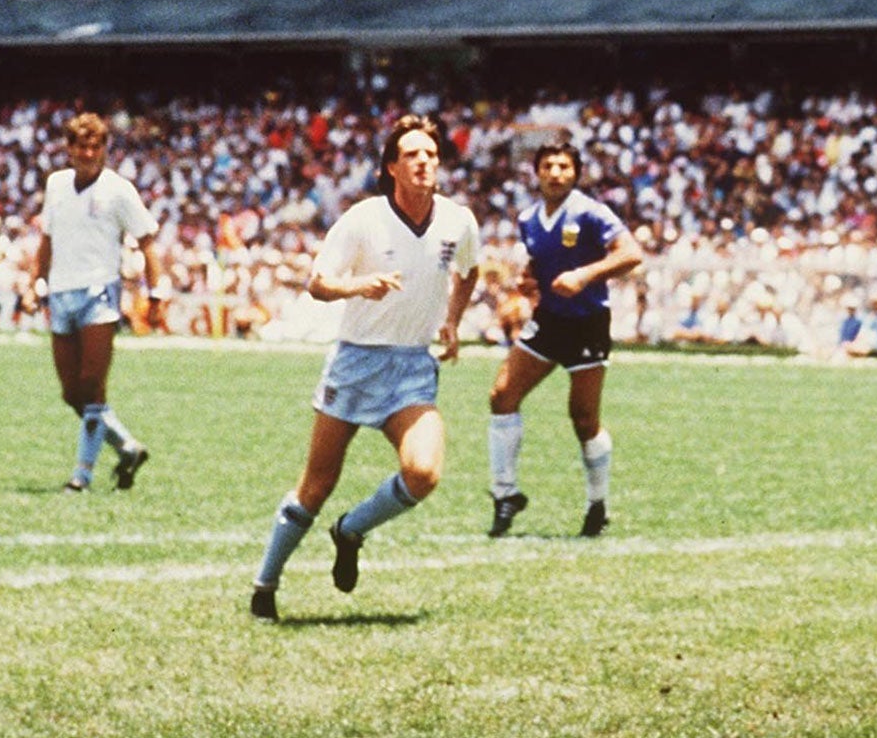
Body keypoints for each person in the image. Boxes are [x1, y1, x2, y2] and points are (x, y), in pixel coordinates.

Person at [249, 115, 478, 622]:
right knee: (317, 484)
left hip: (413, 366)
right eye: (412, 155)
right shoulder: (363, 219)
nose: (424, 162)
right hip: (356, 361)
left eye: (431, 154)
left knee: (423, 472)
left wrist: (453, 322)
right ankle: (265, 584)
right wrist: (359, 286)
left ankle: (351, 530)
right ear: (391, 167)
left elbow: (470, 268)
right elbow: (317, 282)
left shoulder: (457, 220)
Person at [487, 140, 644, 539]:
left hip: (588, 323)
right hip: (550, 320)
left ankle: (598, 504)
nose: (556, 173)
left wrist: (584, 276)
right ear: (536, 173)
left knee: (583, 419)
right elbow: (539, 264)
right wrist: (529, 281)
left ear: (575, 173)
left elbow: (631, 254)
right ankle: (506, 494)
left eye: (564, 166)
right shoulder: (529, 219)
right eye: (548, 166)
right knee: (502, 396)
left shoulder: (591, 213)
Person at [27, 111, 159, 495]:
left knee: (92, 384)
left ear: (104, 149)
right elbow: (47, 238)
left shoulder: (119, 190)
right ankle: (127, 446)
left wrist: (156, 292)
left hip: (99, 293)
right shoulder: (56, 185)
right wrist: (37, 279)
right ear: (68, 149)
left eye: (95, 146)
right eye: (81, 146)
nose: (88, 153)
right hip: (61, 292)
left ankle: (81, 475)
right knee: (72, 393)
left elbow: (147, 240)